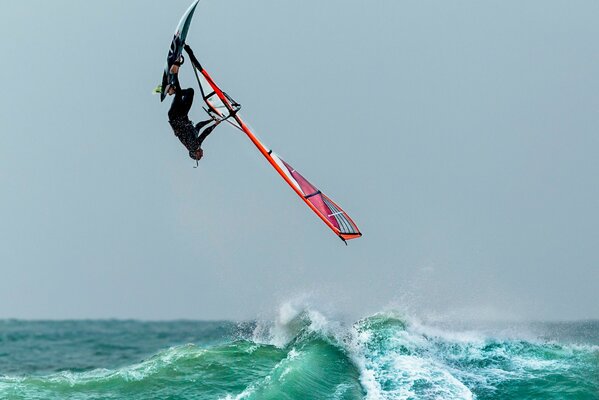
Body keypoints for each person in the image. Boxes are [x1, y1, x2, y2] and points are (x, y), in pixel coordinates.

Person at [166, 45, 219, 163]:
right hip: (181, 115)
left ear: (195, 154)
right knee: (190, 92)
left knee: (181, 94)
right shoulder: (194, 140)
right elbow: (199, 126)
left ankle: (174, 73)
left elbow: (205, 134)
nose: (202, 154)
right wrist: (211, 121)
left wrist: (215, 124)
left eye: (200, 156)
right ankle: (173, 89)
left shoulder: (193, 146)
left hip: (176, 117)